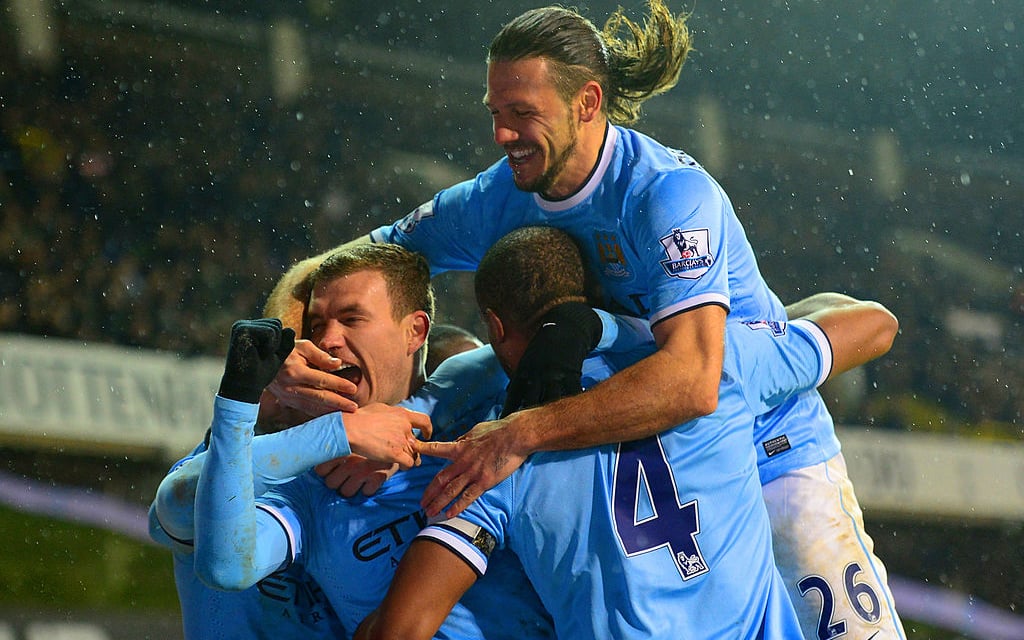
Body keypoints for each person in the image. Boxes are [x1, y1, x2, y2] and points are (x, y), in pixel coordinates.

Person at [264, 3, 906, 637]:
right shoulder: (495, 200)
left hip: (765, 448)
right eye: (495, 114)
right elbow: (347, 266)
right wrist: (282, 352)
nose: (502, 136)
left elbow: (693, 381)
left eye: (522, 115)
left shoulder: (666, 195)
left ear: (588, 102)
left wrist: (518, 434)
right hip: (618, 446)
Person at [355, 225, 899, 639]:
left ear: (494, 326)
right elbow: (875, 323)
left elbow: (401, 629)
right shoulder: (714, 365)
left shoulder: (493, 456)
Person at [167, 243, 556, 638]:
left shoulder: (489, 428)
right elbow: (219, 561)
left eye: (352, 318)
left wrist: (412, 415)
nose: (328, 341)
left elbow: (533, 343)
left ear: (415, 331)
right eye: (317, 326)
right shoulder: (310, 487)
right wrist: (242, 403)